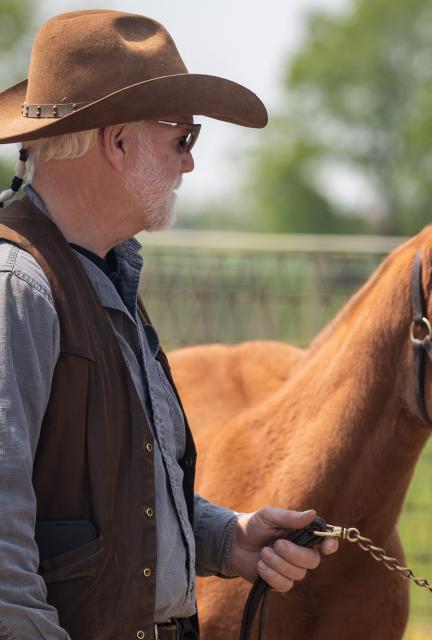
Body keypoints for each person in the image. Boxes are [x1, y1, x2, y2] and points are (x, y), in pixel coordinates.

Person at [0, 10, 337, 640]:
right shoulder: (18, 290)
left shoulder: (101, 274)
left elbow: (118, 500)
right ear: (117, 140)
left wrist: (227, 539)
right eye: (183, 138)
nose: (189, 165)